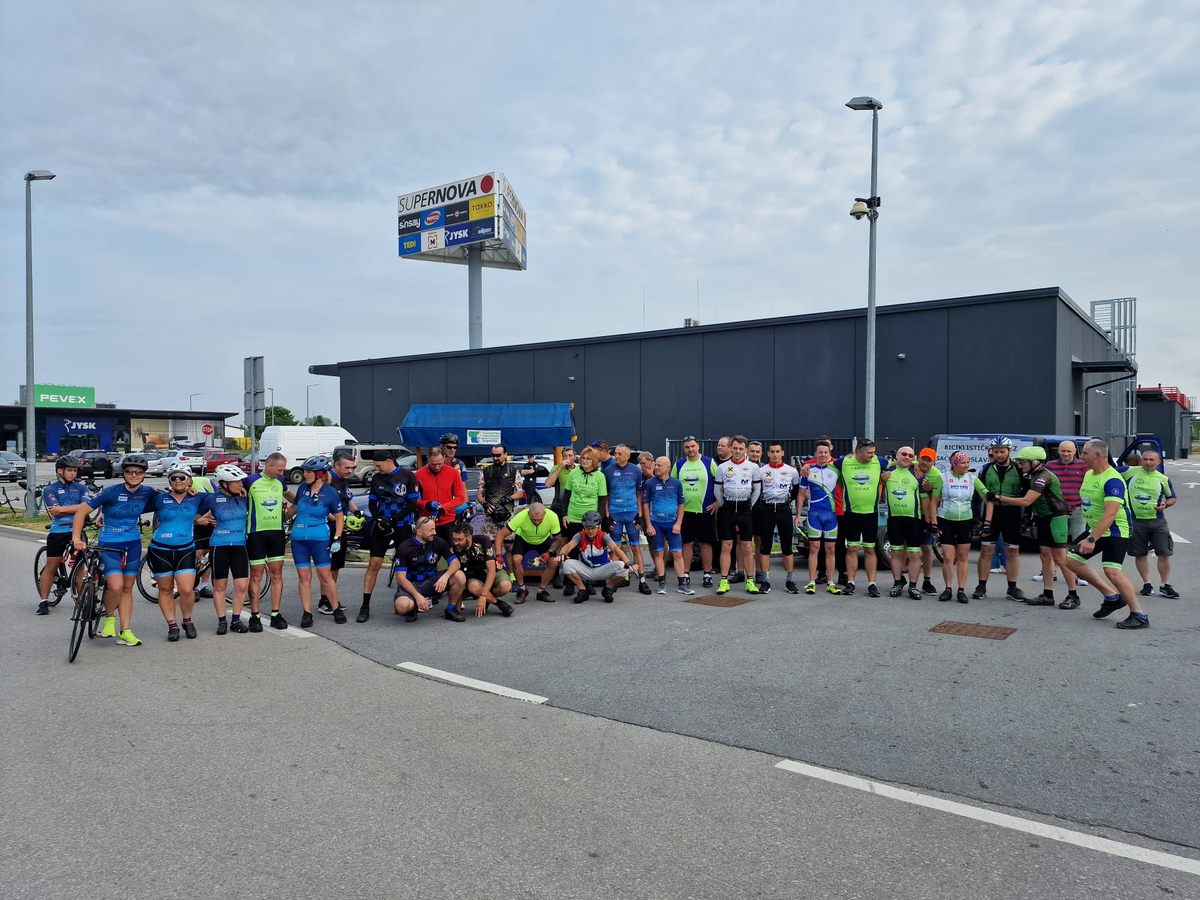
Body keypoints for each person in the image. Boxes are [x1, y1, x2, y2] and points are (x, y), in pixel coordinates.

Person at [71, 453, 157, 646]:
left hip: (133, 544)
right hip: (110, 544)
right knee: (116, 586)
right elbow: (82, 511)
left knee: (127, 588)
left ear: (144, 474)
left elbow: (174, 496)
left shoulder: (149, 492)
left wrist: (190, 489)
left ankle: (125, 631)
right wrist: (76, 538)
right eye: (129, 471)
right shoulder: (111, 492)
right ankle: (109, 619)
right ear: (123, 473)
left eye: (138, 472)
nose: (134, 475)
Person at [1064, 439, 1148, 629]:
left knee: (1112, 571)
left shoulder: (1112, 480)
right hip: (1096, 528)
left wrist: (1091, 539)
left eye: (1085, 453)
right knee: (1070, 560)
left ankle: (1139, 615)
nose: (1081, 456)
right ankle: (1112, 597)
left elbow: (1111, 513)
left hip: (1116, 529)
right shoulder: (1089, 474)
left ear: (1098, 455)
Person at [994, 447, 1074, 607]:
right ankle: (1048, 594)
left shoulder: (1043, 477)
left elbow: (1026, 501)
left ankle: (1073, 595)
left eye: (1023, 462)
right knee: (1045, 556)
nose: (1020, 465)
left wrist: (998, 497)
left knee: (1060, 558)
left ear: (1034, 462)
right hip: (1043, 518)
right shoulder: (1034, 475)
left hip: (1056, 518)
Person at [361, 449, 421, 623]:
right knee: (374, 563)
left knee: (406, 565)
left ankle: (409, 602)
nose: (377, 469)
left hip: (402, 525)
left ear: (389, 461)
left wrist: (393, 519)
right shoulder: (377, 478)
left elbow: (412, 504)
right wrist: (379, 519)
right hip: (382, 524)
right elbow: (372, 503)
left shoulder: (408, 475)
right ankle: (365, 605)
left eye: (379, 465)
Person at [147, 464, 205, 640]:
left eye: (182, 477)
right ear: (169, 481)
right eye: (174, 478)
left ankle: (187, 620)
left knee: (187, 589)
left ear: (189, 480)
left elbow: (222, 498)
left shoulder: (198, 497)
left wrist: (241, 490)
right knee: (165, 589)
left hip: (185, 549)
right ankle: (172, 625)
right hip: (160, 550)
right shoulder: (159, 498)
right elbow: (132, 504)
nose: (178, 481)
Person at [198, 464, 255, 633]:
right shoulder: (212, 498)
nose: (241, 484)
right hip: (219, 545)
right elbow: (192, 510)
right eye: (237, 482)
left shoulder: (244, 497)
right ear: (224, 484)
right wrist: (201, 519)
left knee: (242, 586)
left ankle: (236, 620)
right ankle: (222, 621)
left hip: (239, 546)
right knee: (219, 586)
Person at [291, 456, 346, 627]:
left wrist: (337, 538)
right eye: (305, 471)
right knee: (304, 577)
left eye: (309, 472)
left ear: (320, 474)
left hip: (319, 539)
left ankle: (336, 608)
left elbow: (339, 517)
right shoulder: (302, 488)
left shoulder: (330, 492)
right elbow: (293, 508)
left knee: (325, 576)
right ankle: (307, 612)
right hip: (298, 539)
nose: (305, 474)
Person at [928, 451, 988, 603]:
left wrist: (989, 518)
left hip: (965, 521)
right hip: (945, 520)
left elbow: (987, 496)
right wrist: (933, 522)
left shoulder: (972, 478)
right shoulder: (943, 477)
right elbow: (934, 501)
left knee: (962, 556)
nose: (967, 465)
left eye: (968, 462)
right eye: (963, 462)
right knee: (948, 557)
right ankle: (948, 588)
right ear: (954, 464)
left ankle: (961, 589)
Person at [245, 452, 295, 631]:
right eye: (279, 470)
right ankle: (255, 615)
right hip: (256, 533)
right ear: (269, 465)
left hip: (276, 533)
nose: (282, 473)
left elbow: (296, 499)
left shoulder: (280, 481)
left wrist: (290, 512)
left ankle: (275, 614)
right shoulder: (250, 481)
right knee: (256, 575)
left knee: (277, 574)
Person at [974, 437, 1028, 601]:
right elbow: (977, 493)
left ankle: (1012, 587)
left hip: (1012, 512)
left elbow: (1028, 492)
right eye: (996, 451)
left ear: (1009, 451)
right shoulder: (985, 469)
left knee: (1012, 551)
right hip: (991, 512)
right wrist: (976, 517)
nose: (998, 455)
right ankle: (981, 586)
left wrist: (1027, 516)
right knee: (986, 550)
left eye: (1002, 451)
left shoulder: (1019, 468)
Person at [37, 456, 90, 615]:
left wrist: (63, 509)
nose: (73, 473)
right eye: (70, 470)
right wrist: (78, 507)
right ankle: (43, 601)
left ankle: (83, 602)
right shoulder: (50, 489)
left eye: (75, 470)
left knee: (80, 569)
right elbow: (56, 511)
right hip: (58, 533)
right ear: (60, 471)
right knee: (51, 567)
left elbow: (86, 507)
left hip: (77, 531)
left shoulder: (81, 488)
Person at [1122, 448, 1178, 598]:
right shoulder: (1129, 471)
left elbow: (1172, 497)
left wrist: (1166, 504)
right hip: (1136, 521)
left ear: (1158, 462)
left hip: (1157, 521)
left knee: (1164, 553)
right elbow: (1107, 471)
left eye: (1151, 460)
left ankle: (1165, 585)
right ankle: (1147, 584)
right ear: (1141, 460)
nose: (1148, 462)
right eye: (1145, 459)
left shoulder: (1163, 479)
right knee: (1140, 554)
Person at [554, 510, 641, 603]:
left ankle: (608, 589)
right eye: (587, 528)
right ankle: (582, 590)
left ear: (598, 526)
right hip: (586, 568)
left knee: (623, 567)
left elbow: (615, 548)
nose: (590, 531)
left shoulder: (603, 536)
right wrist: (562, 553)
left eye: (593, 528)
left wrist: (627, 561)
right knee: (567, 564)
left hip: (603, 568)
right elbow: (569, 545)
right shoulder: (580, 535)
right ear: (584, 526)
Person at [831, 439, 882, 597]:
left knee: (869, 549)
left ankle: (872, 584)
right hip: (851, 513)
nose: (873, 455)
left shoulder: (879, 461)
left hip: (871, 513)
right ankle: (850, 582)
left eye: (874, 452)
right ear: (859, 452)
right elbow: (825, 464)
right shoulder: (844, 462)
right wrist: (807, 467)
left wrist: (916, 466)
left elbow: (900, 462)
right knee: (852, 548)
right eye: (869, 453)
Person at [393, 516, 466, 622]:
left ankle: (451, 609)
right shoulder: (404, 547)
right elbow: (400, 578)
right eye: (431, 530)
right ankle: (413, 608)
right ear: (419, 531)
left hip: (432, 581)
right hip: (412, 584)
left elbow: (455, 563)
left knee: (459, 576)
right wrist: (417, 596)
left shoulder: (438, 542)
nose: (434, 532)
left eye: (434, 529)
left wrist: (445, 576)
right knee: (402, 606)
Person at [714, 436, 762, 595]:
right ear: (730, 448)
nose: (738, 451)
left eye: (741, 449)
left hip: (745, 508)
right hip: (727, 508)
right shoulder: (722, 467)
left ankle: (750, 581)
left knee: (747, 546)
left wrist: (749, 505)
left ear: (746, 450)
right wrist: (724, 504)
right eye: (735, 448)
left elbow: (757, 490)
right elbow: (717, 491)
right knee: (726, 545)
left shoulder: (753, 467)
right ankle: (724, 580)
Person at [672, 436, 719, 588]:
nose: (690, 449)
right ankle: (685, 574)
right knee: (687, 543)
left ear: (698, 446)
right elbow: (672, 486)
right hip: (685, 511)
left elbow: (721, 482)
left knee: (706, 543)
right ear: (684, 449)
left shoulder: (709, 462)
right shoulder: (679, 464)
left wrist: (718, 502)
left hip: (706, 510)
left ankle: (707, 574)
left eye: (693, 446)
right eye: (687, 447)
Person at [494, 501, 562, 602]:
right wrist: (498, 555)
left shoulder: (552, 516)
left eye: (540, 520)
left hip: (543, 539)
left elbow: (558, 539)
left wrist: (549, 553)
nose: (537, 522)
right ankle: (522, 589)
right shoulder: (521, 516)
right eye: (533, 519)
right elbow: (500, 534)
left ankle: (541, 591)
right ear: (528, 513)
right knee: (516, 559)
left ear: (545, 514)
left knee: (553, 562)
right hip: (523, 538)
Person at [561, 447, 608, 595]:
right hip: (574, 517)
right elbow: (566, 495)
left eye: (588, 459)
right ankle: (570, 582)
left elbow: (602, 500)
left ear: (594, 461)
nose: (585, 461)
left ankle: (588, 582)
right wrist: (564, 514)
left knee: (589, 551)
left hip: (591, 520)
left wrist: (599, 520)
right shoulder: (574, 473)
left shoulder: (600, 476)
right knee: (572, 550)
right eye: (583, 458)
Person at [319, 447, 360, 616]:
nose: (350, 471)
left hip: (339, 528)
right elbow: (321, 507)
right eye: (346, 467)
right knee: (326, 566)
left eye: (352, 468)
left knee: (336, 565)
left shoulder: (344, 480)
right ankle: (324, 600)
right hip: (327, 529)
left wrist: (357, 513)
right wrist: (338, 520)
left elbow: (348, 499)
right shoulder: (326, 481)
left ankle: (331, 597)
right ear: (336, 465)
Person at [756, 441, 801, 594]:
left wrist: (787, 503)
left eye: (777, 451)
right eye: (772, 452)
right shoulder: (761, 471)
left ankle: (789, 581)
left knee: (787, 547)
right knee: (765, 546)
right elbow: (757, 490)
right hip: (766, 510)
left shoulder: (792, 471)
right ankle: (765, 581)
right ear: (768, 453)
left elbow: (796, 491)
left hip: (784, 509)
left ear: (782, 453)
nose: (775, 454)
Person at [798, 440, 842, 595]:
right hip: (814, 515)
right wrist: (798, 515)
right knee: (814, 548)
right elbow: (801, 494)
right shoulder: (808, 470)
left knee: (831, 549)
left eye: (826, 452)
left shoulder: (836, 470)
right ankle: (811, 582)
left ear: (830, 453)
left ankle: (831, 582)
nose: (823, 455)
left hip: (831, 515)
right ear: (815, 454)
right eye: (820, 452)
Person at [643, 456, 692, 594]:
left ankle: (682, 584)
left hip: (672, 523)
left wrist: (678, 524)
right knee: (659, 553)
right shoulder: (649, 483)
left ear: (667, 468)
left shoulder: (676, 483)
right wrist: (649, 525)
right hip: (656, 523)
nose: (656, 467)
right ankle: (662, 582)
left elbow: (681, 504)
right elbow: (645, 504)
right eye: (656, 465)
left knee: (677, 553)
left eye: (659, 465)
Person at [1044, 440, 1088, 595]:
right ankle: (1052, 572)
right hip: (1056, 510)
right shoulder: (1050, 466)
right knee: (1055, 542)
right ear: (1059, 451)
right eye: (1063, 451)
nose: (1066, 454)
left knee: (1078, 542)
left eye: (1069, 451)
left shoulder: (1083, 466)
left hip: (1077, 509)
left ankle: (1079, 574)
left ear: (1075, 451)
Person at [606, 443, 651, 595]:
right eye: (615, 453)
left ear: (627, 456)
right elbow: (606, 495)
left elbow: (639, 493)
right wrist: (607, 516)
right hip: (615, 513)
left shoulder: (636, 470)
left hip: (631, 513)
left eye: (619, 454)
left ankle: (642, 580)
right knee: (615, 548)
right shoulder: (608, 471)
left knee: (635, 547)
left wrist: (640, 514)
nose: (616, 456)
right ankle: (612, 581)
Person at [881, 447, 925, 600]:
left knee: (914, 553)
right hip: (894, 519)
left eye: (910, 455)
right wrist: (882, 478)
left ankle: (913, 586)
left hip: (914, 519)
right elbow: (875, 461)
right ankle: (897, 582)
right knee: (896, 552)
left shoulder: (917, 472)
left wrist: (916, 465)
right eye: (904, 454)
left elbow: (928, 491)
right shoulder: (887, 471)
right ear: (897, 456)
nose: (907, 457)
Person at [451, 523, 515, 618]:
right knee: (473, 586)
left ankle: (488, 598)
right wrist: (456, 610)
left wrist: (483, 596)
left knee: (505, 586)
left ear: (469, 537)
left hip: (491, 573)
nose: (455, 543)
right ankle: (499, 604)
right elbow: (458, 579)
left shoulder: (483, 540)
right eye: (454, 539)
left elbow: (491, 570)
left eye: (459, 540)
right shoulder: (454, 549)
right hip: (474, 579)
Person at [414, 447, 467, 542]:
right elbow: (412, 499)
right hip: (427, 521)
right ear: (428, 459)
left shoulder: (453, 473)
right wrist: (426, 504)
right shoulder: (419, 474)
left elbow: (460, 497)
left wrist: (444, 508)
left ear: (444, 458)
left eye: (440, 463)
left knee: (449, 548)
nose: (437, 467)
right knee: (428, 549)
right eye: (433, 464)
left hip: (448, 520)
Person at [914, 449, 942, 595]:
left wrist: (929, 489)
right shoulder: (912, 465)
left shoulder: (937, 475)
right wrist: (915, 466)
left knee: (926, 547)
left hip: (926, 515)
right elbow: (896, 461)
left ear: (934, 461)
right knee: (907, 547)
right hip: (910, 513)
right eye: (923, 459)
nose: (925, 462)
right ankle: (902, 580)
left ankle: (927, 581)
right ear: (918, 458)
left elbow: (938, 500)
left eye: (929, 460)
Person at [478, 444, 518, 529]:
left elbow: (521, 493)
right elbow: (479, 493)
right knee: (489, 538)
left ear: (505, 454)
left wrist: (509, 498)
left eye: (498, 455)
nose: (495, 458)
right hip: (490, 515)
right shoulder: (485, 471)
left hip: (508, 514)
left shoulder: (513, 471)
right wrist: (484, 504)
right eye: (493, 455)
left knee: (508, 537)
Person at [190, 473, 215, 601]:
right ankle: (192, 586)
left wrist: (208, 517)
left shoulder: (207, 482)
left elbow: (216, 501)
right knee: (197, 553)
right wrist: (199, 518)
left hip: (209, 522)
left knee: (208, 555)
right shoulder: (182, 484)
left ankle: (203, 586)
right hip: (195, 524)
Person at [545, 447, 577, 522]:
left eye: (570, 455)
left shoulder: (579, 469)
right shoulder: (556, 468)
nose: (567, 458)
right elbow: (548, 484)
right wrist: (560, 468)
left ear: (575, 457)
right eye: (565, 456)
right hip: (559, 505)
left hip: (575, 505)